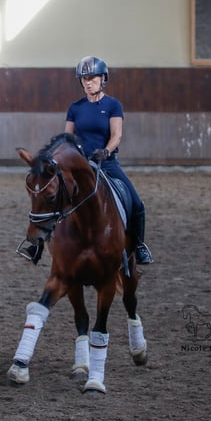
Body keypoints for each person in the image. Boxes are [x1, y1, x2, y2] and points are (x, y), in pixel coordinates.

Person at [64, 55, 154, 264]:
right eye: (84, 79)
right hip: (80, 164)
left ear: (103, 79)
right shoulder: (75, 108)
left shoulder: (113, 105)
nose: (88, 82)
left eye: (92, 78)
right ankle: (38, 244)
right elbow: (67, 136)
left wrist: (105, 151)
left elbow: (117, 135)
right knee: (52, 197)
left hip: (107, 163)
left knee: (137, 203)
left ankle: (139, 245)